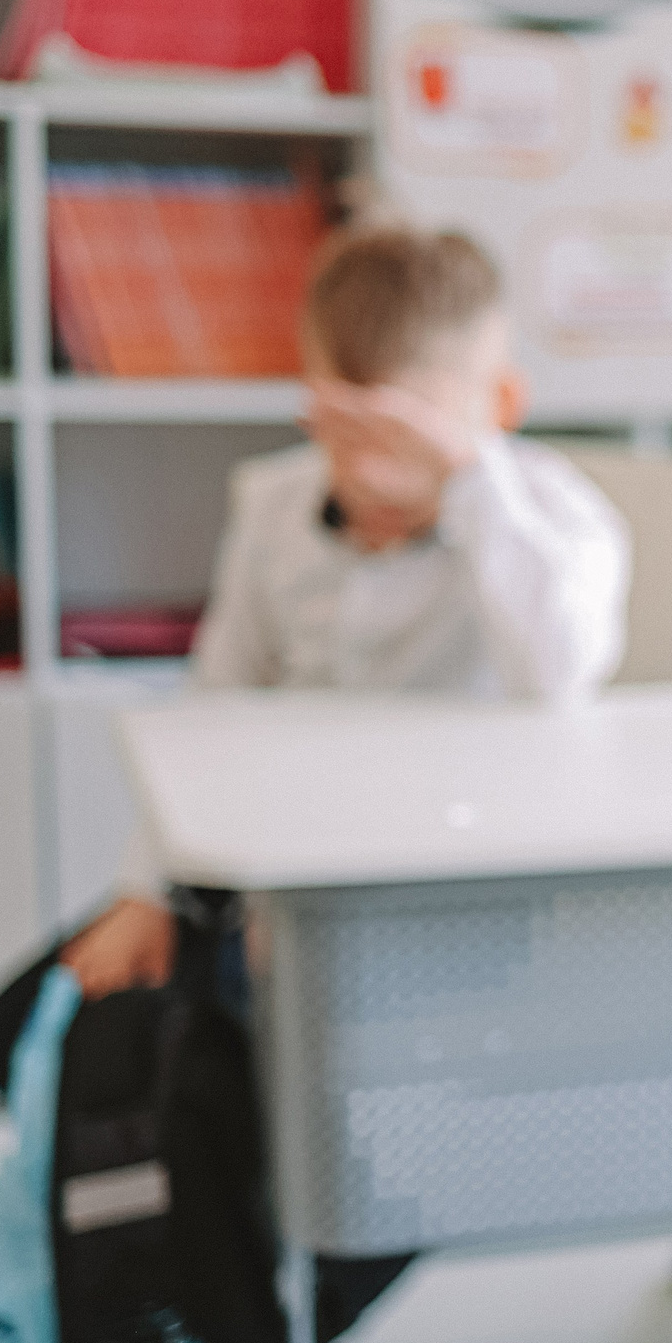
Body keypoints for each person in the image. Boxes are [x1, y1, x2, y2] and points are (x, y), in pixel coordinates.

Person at [60, 224, 629, 999]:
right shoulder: (273, 504)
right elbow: (216, 706)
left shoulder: (557, 517)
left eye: (405, 435)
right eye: (342, 427)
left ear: (500, 404)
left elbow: (559, 670)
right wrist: (147, 888)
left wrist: (466, 478)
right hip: (295, 869)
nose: (368, 472)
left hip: (474, 889)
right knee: (51, 1018)